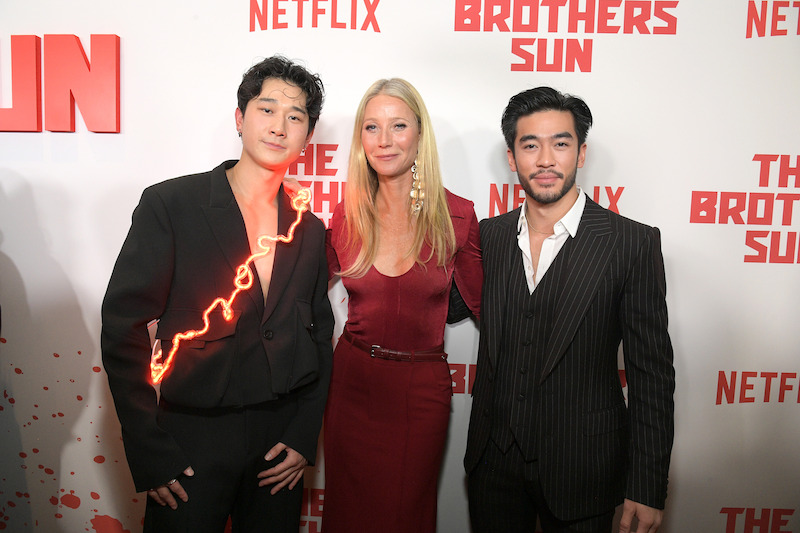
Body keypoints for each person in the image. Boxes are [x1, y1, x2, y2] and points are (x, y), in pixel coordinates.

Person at [101, 55, 334, 533]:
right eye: (267, 110)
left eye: (296, 117)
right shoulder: (171, 204)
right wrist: (150, 449)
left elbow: (320, 334)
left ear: (307, 137)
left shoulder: (309, 229)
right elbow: (122, 327)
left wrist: (302, 435)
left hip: (278, 448)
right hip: (189, 439)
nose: (279, 126)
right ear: (240, 117)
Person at [464, 87, 675, 533]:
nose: (545, 159)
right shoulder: (487, 237)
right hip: (493, 465)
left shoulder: (631, 243)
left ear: (581, 153)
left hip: (585, 467)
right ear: (511, 157)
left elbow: (651, 377)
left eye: (560, 143)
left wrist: (647, 484)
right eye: (530, 145)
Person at [321, 78, 482, 533]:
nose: (385, 140)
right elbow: (303, 296)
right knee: (345, 516)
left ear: (419, 134)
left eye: (398, 126)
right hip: (350, 384)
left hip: (419, 392)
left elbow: (494, 310)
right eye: (371, 127)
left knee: (405, 517)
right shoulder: (346, 214)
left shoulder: (458, 215)